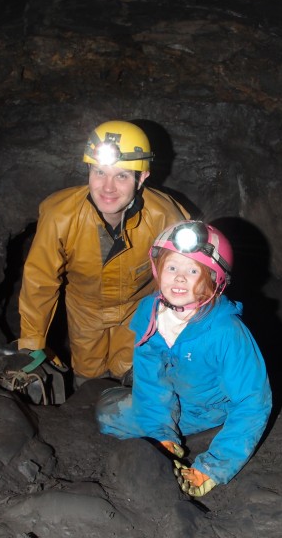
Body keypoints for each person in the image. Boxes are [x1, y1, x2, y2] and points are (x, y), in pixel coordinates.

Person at [96, 220, 272, 497]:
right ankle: (168, 436)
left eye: (193, 270)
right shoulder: (149, 313)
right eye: (172, 267)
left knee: (115, 408)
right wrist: (160, 434)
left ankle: (195, 439)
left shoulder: (226, 332)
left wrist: (213, 467)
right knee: (108, 407)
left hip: (210, 411)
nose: (179, 278)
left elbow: (252, 401)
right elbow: (151, 382)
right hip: (172, 404)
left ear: (214, 279)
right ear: (158, 270)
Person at [15, 120, 190, 391]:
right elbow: (41, 281)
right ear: (88, 170)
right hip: (84, 309)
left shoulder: (166, 217)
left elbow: (187, 279)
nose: (107, 187)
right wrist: (31, 344)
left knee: (130, 369)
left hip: (138, 309)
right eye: (99, 172)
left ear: (141, 177)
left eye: (121, 175)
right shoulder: (60, 216)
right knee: (88, 372)